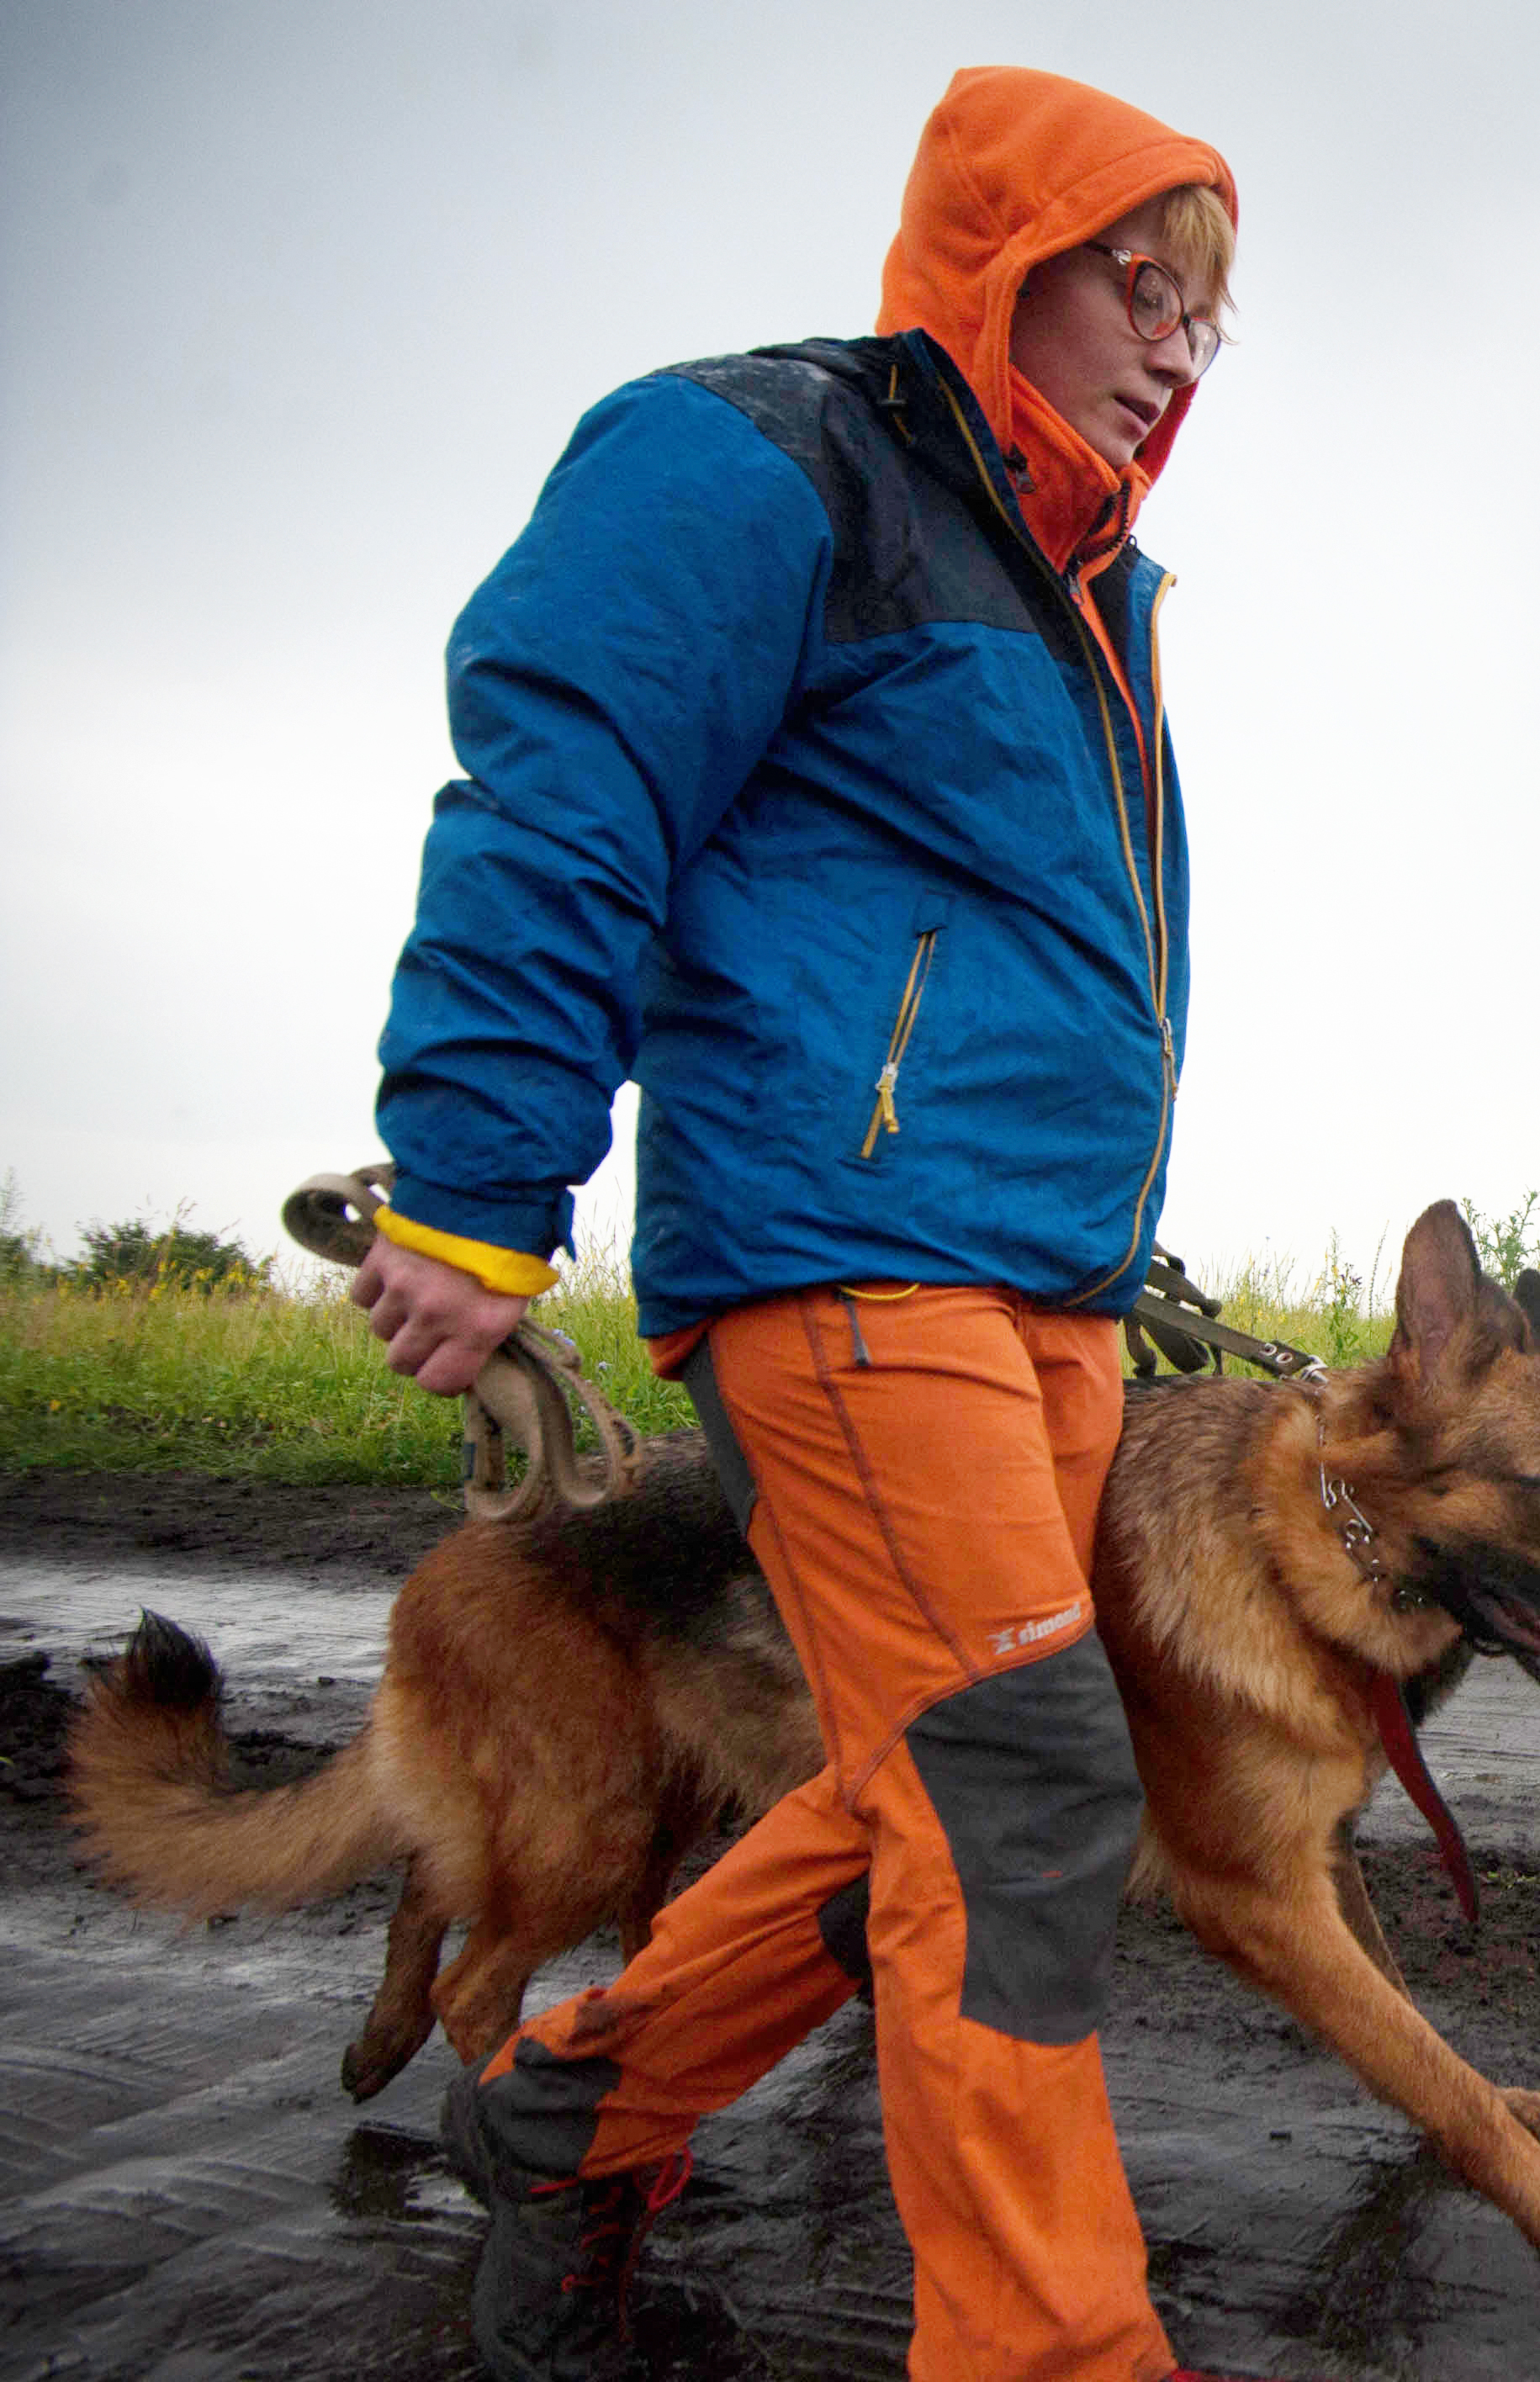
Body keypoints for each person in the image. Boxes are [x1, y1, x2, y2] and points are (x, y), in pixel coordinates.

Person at [350, 64, 1238, 2382]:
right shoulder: (773, 456)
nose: (1175, 349)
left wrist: (1107, 1237)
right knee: (1020, 1801)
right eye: (1136, 286)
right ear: (998, 259)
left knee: (911, 1795)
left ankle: (577, 2116)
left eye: (1205, 317)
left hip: (1043, 1289)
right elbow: (567, 770)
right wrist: (477, 1178)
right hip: (853, 1265)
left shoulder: (1090, 598)